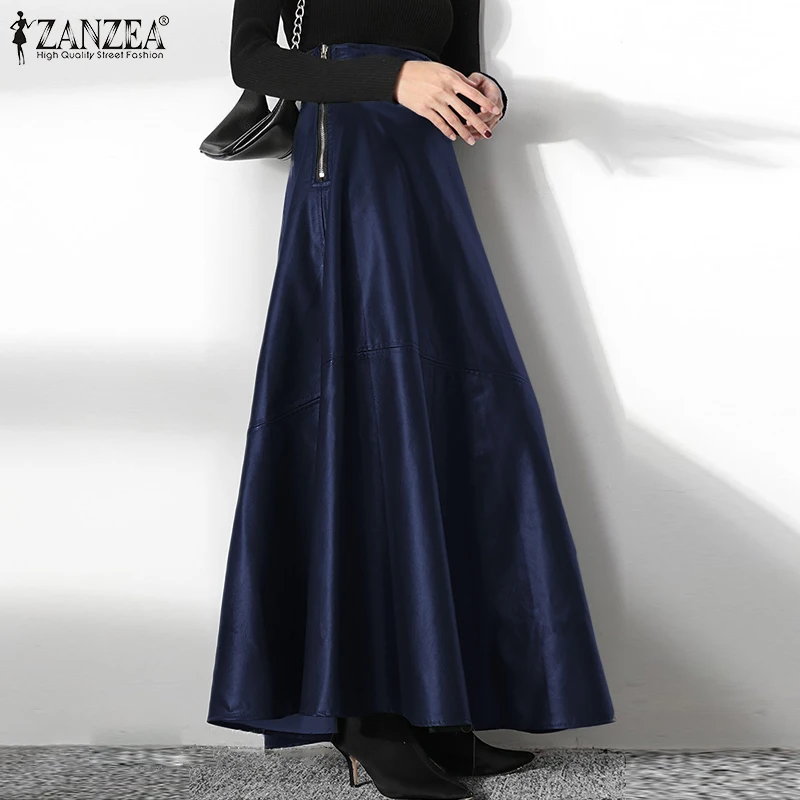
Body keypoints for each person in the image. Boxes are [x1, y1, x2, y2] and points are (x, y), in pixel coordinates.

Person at [206, 1, 616, 798]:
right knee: (365, 413)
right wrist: (390, 78)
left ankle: (435, 707)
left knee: (455, 408)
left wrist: (485, 93)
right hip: (347, 164)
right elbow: (253, 61)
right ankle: (368, 715)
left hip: (425, 170)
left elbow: (460, 58)